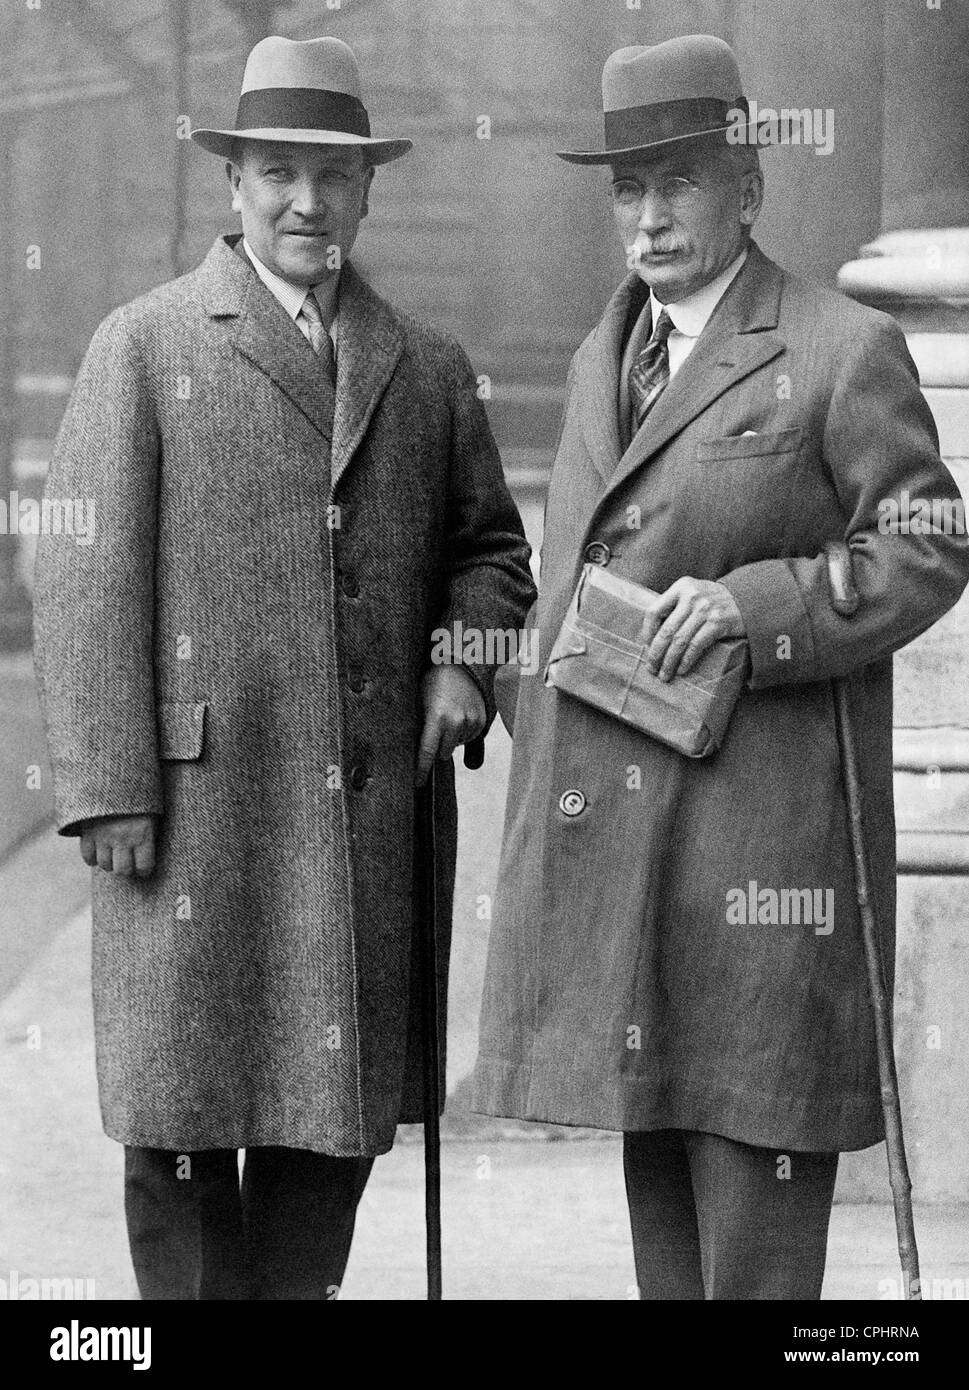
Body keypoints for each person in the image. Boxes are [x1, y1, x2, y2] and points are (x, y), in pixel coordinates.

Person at [34, 34, 534, 1301]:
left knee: (328, 1132)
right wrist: (109, 788)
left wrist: (461, 665)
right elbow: (84, 575)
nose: (305, 202)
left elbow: (492, 555)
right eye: (276, 173)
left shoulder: (425, 367)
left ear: (370, 191)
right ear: (235, 186)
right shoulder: (144, 346)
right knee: (186, 1128)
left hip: (360, 827)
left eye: (331, 175)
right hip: (195, 816)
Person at [472, 35, 969, 1300]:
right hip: (631, 881)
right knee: (667, 1245)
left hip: (763, 879)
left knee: (755, 1232)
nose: (648, 218)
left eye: (679, 182)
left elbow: (930, 537)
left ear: (748, 187)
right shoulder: (605, 356)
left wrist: (761, 608)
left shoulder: (839, 345)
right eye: (628, 189)